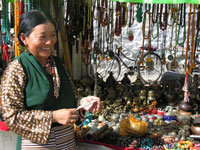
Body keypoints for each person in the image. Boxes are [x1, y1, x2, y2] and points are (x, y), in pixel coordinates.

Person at [0, 10, 101, 150]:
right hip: (36, 145)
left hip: (67, 142)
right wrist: (53, 117)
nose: (50, 42)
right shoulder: (17, 69)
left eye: (53, 35)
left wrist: (82, 104)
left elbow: (67, 102)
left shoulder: (57, 64)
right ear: (24, 38)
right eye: (42, 37)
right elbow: (12, 117)